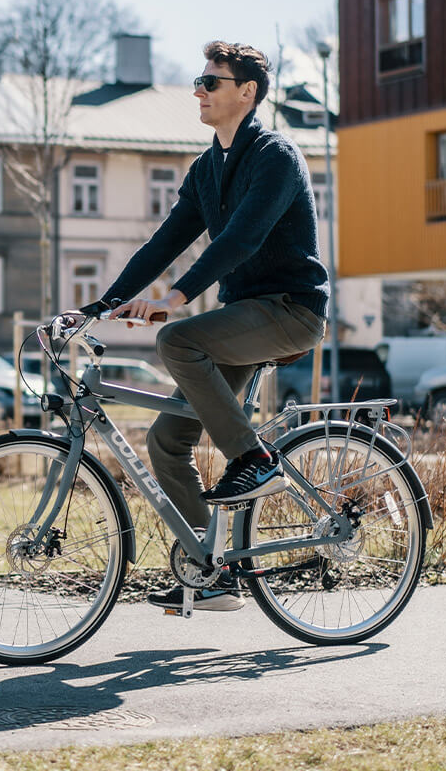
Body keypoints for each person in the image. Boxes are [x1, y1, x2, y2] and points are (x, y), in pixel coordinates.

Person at [81, 41, 330, 613]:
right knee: (167, 441)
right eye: (198, 80)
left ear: (246, 93)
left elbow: (242, 238)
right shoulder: (207, 168)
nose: (198, 90)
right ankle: (212, 570)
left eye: (210, 82)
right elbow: (164, 241)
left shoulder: (275, 156)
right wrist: (99, 306)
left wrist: (176, 297)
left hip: (291, 310)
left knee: (178, 338)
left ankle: (255, 461)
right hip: (244, 318)